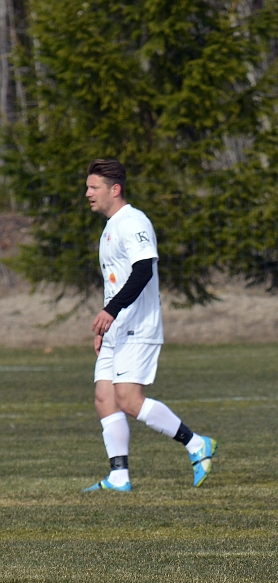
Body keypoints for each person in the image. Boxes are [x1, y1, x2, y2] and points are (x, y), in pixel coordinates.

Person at [83, 159, 216, 492]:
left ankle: (197, 443)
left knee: (128, 398)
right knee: (104, 397)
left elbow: (142, 271)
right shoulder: (111, 226)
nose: (88, 193)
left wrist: (110, 311)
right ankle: (119, 476)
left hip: (138, 326)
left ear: (115, 189)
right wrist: (106, 324)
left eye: (93, 187)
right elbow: (116, 282)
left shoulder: (134, 222)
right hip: (117, 326)